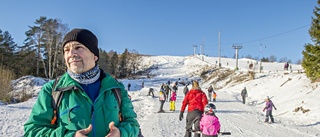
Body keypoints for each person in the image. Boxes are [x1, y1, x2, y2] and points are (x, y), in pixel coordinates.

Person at [24, 28, 140, 137]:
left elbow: (132, 125)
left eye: (78, 47)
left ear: (95, 56)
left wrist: (121, 133)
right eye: (67, 50)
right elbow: (33, 131)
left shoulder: (115, 88)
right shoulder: (52, 90)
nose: (71, 54)